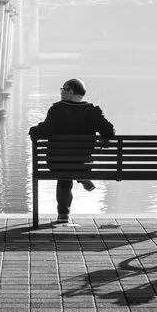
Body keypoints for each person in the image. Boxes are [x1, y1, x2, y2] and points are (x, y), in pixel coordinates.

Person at [28, 78, 115, 223]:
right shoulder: (92, 111)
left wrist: (33, 130)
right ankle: (81, 177)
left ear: (70, 92)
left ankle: (63, 214)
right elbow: (109, 131)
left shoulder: (56, 109)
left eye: (63, 89)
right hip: (83, 163)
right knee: (73, 163)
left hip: (57, 163)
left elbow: (44, 130)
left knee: (64, 170)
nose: (61, 92)